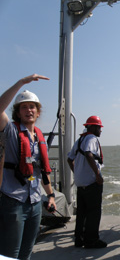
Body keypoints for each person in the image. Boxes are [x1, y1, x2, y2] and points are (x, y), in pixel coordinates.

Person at [0, 74, 57, 260]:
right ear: (18, 112)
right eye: (24, 107)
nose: (29, 110)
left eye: (32, 106)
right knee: (10, 254)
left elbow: (41, 171)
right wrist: (21, 83)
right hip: (13, 202)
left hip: (35, 203)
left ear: (38, 112)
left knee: (27, 252)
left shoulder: (38, 138)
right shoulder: (11, 131)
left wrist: (50, 196)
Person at [67, 116, 107, 249]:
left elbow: (69, 159)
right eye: (99, 128)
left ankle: (79, 239)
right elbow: (89, 154)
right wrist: (97, 175)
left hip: (80, 183)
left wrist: (77, 172)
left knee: (81, 213)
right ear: (93, 127)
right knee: (94, 212)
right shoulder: (91, 139)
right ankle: (92, 240)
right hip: (91, 183)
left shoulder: (79, 140)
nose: (101, 131)